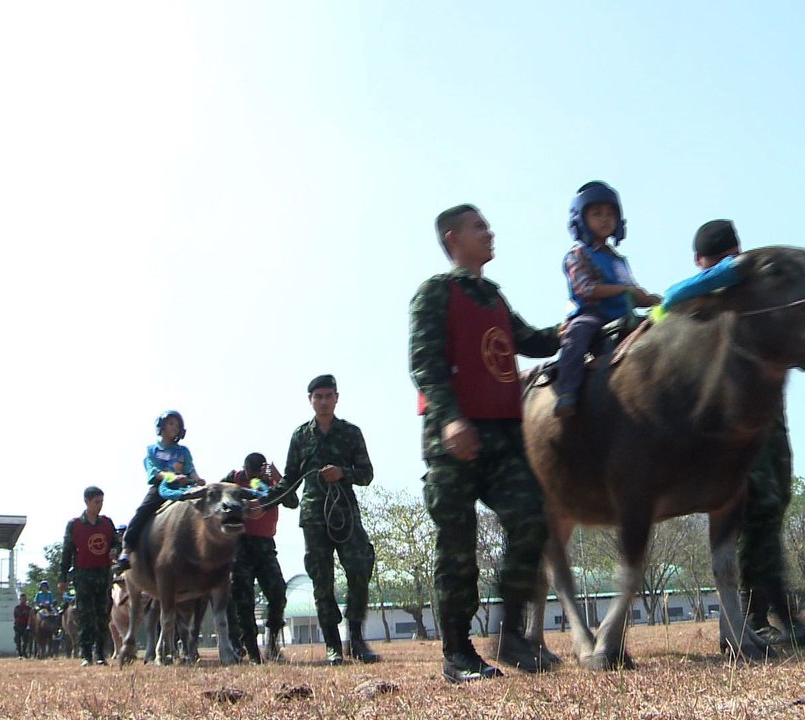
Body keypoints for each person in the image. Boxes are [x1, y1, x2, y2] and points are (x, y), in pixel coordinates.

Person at [660, 219, 805, 643]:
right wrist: (725, 275)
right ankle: (760, 616)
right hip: (729, 434)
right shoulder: (701, 303)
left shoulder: (753, 297)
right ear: (701, 263)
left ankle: (768, 613)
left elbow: (786, 337)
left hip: (770, 426)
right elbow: (668, 305)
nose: (728, 265)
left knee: (775, 504)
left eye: (733, 256)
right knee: (760, 506)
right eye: (718, 260)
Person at [409, 204, 562, 683]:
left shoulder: (493, 296)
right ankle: (458, 653)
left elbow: (530, 340)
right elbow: (425, 363)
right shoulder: (435, 293)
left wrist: (573, 327)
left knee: (533, 518)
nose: (490, 232)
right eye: (479, 227)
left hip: (502, 436)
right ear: (453, 237)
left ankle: (511, 635)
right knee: (458, 547)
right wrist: (451, 419)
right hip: (453, 438)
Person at [271, 375, 379, 665]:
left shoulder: (351, 433)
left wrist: (343, 472)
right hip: (313, 517)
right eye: (317, 396)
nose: (323, 401)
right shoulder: (300, 436)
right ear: (310, 400)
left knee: (359, 568)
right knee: (322, 581)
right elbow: (290, 480)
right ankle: (333, 645)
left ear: (336, 398)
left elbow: (367, 474)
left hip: (345, 514)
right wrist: (264, 500)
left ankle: (356, 639)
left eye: (328, 396)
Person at [554, 181, 661, 417]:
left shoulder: (618, 260)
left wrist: (657, 301)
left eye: (610, 214)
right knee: (577, 333)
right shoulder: (577, 254)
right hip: (593, 314)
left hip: (623, 315)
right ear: (581, 219)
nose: (605, 219)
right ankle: (567, 391)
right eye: (597, 214)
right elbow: (586, 289)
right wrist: (625, 290)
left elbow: (634, 291)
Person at [114, 410, 205, 573]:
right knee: (141, 513)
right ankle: (126, 552)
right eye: (171, 424)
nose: (174, 428)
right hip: (161, 488)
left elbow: (190, 469)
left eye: (177, 425)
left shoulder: (184, 451)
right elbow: (154, 470)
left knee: (206, 507)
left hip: (184, 488)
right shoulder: (152, 450)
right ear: (161, 426)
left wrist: (197, 479)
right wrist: (171, 477)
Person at [223, 452, 288, 663]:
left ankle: (272, 643)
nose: (253, 478)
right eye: (250, 473)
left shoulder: (273, 482)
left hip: (265, 545)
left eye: (257, 474)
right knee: (243, 600)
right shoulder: (234, 478)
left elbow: (292, 501)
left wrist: (280, 477)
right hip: (240, 544)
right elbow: (215, 497)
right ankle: (252, 651)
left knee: (278, 591)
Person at [60, 485, 119, 666]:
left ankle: (101, 653)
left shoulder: (107, 523)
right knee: (86, 616)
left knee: (103, 615)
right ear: (87, 502)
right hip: (83, 576)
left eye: (101, 502)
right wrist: (62, 577)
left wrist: (115, 550)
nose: (99, 505)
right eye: (96, 502)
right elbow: (67, 552)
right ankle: (86, 654)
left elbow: (116, 543)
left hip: (103, 574)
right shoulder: (75, 525)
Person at [13, 593, 33, 658]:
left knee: (25, 641)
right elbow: (15, 617)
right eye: (22, 599)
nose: (23, 600)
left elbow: (30, 617)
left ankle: (24, 652)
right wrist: (15, 625)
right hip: (18, 625)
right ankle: (20, 654)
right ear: (20, 599)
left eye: (24, 599)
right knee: (18, 640)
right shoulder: (17, 608)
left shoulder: (29, 608)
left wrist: (28, 626)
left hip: (25, 626)